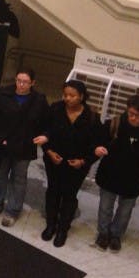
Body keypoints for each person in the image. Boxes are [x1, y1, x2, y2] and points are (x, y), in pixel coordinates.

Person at [35, 79, 103, 247]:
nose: (68, 98)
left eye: (72, 95)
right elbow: (45, 131)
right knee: (53, 191)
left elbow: (97, 145)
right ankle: (51, 224)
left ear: (81, 96)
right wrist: (49, 151)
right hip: (54, 161)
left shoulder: (92, 117)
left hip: (76, 166)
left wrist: (83, 161)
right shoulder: (55, 109)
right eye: (65, 95)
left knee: (69, 196)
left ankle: (63, 229)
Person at [0, 69, 48, 226]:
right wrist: (0, 137)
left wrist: (45, 135)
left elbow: (46, 121)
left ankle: (13, 210)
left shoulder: (39, 100)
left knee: (19, 178)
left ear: (33, 83)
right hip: (3, 143)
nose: (21, 84)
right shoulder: (2, 94)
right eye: (18, 80)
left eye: (25, 82)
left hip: (24, 146)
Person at [93, 95, 139, 251]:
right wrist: (97, 148)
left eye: (138, 115)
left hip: (134, 179)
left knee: (125, 211)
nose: (133, 118)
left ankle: (116, 235)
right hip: (110, 175)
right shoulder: (114, 123)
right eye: (131, 114)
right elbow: (97, 141)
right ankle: (103, 233)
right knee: (105, 207)